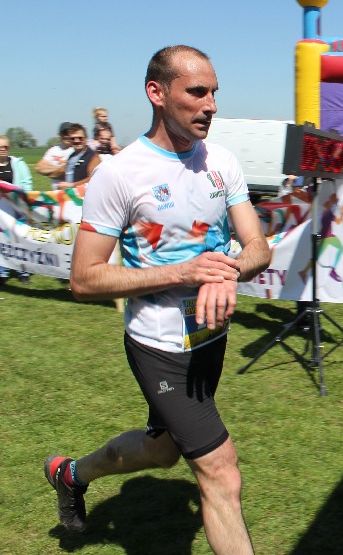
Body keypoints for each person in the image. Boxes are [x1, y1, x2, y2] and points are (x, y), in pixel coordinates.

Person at [43, 45, 271, 554]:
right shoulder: (120, 174)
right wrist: (184, 272)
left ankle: (71, 474)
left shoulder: (222, 161)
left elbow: (258, 245)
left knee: (163, 451)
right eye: (197, 92)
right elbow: (84, 279)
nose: (211, 105)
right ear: (157, 93)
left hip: (211, 337)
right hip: (159, 347)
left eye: (214, 93)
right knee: (220, 471)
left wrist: (230, 270)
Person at [0, 135, 33, 285]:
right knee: (2, 239)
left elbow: (27, 183)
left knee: (19, 239)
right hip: (1, 208)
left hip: (17, 207)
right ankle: (3, 272)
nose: (2, 149)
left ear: (9, 148)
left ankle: (23, 271)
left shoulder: (18, 164)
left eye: (5, 147)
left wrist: (24, 200)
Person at [54, 123, 100, 189]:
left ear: (86, 139)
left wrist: (72, 185)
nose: (77, 141)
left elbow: (94, 178)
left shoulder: (93, 156)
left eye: (80, 138)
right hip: (70, 193)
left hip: (85, 193)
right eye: (73, 139)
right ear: (70, 140)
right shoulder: (71, 156)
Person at [35, 122, 74, 189]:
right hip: (55, 193)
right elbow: (39, 167)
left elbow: (65, 171)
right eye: (64, 133)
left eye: (69, 133)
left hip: (72, 191)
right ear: (59, 134)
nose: (67, 136)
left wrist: (49, 172)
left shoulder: (76, 149)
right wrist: (59, 169)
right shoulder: (54, 149)